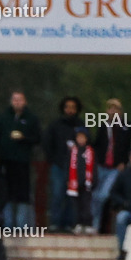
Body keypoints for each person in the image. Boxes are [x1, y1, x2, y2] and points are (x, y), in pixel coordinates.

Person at [0, 91, 41, 228]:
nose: (17, 102)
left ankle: (22, 225)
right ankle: (7, 224)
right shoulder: (4, 117)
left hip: (23, 162)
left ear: (25, 101)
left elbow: (37, 138)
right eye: (15, 99)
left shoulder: (31, 118)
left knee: (23, 194)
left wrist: (24, 138)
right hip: (6, 161)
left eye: (20, 100)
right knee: (6, 192)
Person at [91, 98, 131, 234]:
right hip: (102, 165)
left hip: (115, 167)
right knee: (95, 195)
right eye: (111, 109)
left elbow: (128, 147)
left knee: (103, 195)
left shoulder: (126, 127)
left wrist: (124, 162)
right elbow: (97, 144)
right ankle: (95, 225)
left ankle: (98, 225)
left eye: (116, 109)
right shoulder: (103, 126)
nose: (113, 111)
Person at [43, 96, 83, 232]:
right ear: (63, 108)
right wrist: (52, 159)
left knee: (71, 196)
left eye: (73, 107)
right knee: (57, 194)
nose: (70, 110)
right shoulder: (55, 125)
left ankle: (68, 223)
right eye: (67, 107)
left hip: (76, 167)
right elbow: (47, 142)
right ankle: (55, 222)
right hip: (58, 165)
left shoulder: (81, 125)